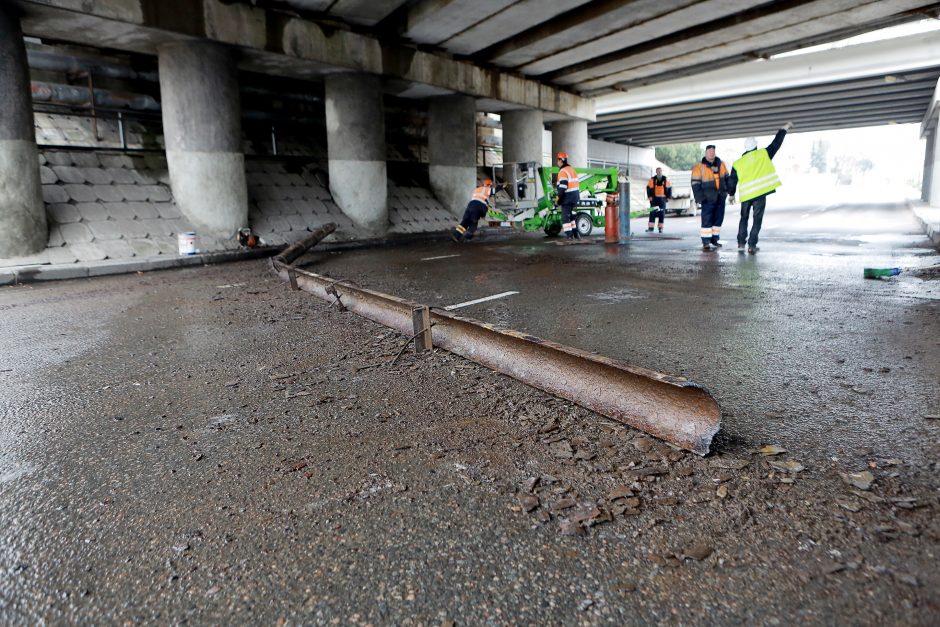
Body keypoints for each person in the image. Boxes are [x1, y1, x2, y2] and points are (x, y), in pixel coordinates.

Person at [728, 122, 793, 254]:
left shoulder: (738, 163)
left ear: (745, 148)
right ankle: (752, 245)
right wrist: (783, 130)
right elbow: (776, 144)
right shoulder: (763, 154)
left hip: (746, 196)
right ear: (755, 146)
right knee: (757, 219)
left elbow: (732, 181)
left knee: (744, 218)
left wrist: (731, 194)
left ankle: (741, 243)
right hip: (759, 194)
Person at [691, 145, 730, 251]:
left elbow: (727, 178)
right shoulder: (699, 167)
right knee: (707, 220)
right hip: (707, 198)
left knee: (718, 219)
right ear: (706, 153)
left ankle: (714, 239)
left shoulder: (721, 164)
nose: (711, 153)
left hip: (720, 197)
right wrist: (700, 198)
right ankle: (706, 242)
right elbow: (695, 183)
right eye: (709, 151)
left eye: (713, 151)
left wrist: (728, 191)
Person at [556, 151, 581, 239]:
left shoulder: (563, 171)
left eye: (557, 160)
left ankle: (569, 236)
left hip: (567, 199)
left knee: (565, 218)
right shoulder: (572, 170)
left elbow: (563, 186)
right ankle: (576, 234)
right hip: (575, 198)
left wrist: (558, 198)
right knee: (572, 217)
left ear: (560, 161)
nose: (557, 162)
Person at [646, 167, 672, 233]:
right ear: (656, 172)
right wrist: (649, 196)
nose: (659, 172)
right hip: (654, 199)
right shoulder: (652, 179)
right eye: (658, 171)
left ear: (662, 172)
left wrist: (668, 197)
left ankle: (660, 228)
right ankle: (651, 228)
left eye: (660, 171)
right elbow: (648, 188)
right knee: (652, 213)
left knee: (661, 213)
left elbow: (669, 188)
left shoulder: (665, 179)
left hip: (662, 199)